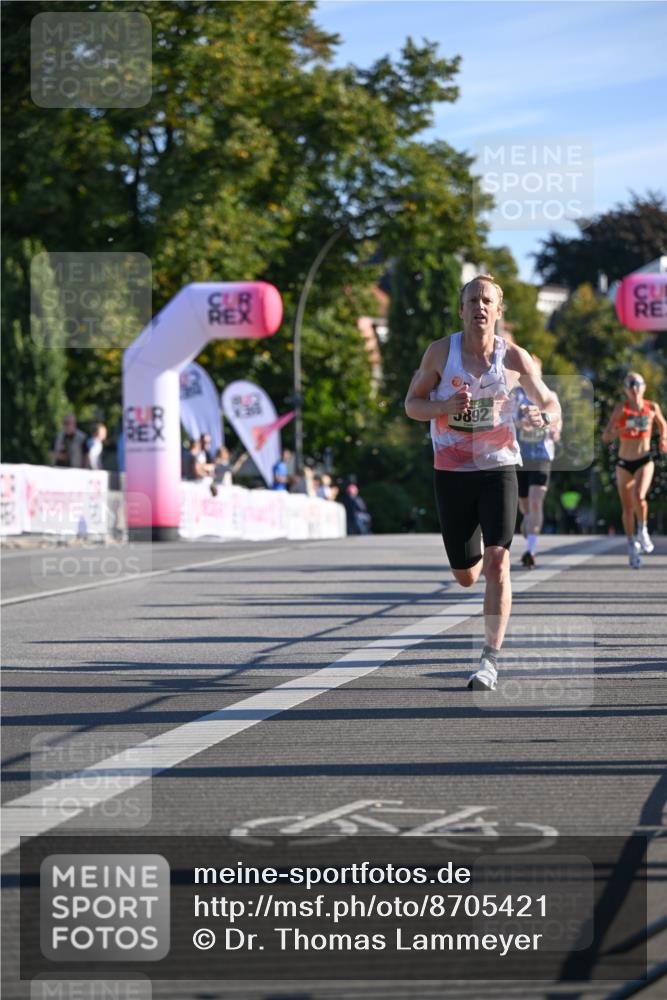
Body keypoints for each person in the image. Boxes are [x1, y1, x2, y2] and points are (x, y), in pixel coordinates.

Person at [405, 274, 560, 692]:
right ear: (461, 309)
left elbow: (550, 402)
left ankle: (489, 660)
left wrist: (539, 417)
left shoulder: (515, 360)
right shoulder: (441, 353)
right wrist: (443, 405)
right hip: (452, 472)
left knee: (497, 560)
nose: (480, 306)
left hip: (498, 467)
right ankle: (469, 566)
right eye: (472, 299)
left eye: (487, 300)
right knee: (467, 576)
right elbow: (412, 405)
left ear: (498, 310)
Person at [601, 372, 667, 568]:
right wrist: (622, 430)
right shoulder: (621, 409)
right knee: (628, 507)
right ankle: (631, 545)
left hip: (644, 460)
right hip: (624, 463)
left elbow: (663, 425)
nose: (634, 387)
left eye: (637, 383)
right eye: (630, 384)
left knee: (639, 496)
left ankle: (643, 530)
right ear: (625, 389)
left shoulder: (652, 407)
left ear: (644, 387)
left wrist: (663, 439)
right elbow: (606, 436)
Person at [513, 359, 560, 568]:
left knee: (535, 502)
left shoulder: (551, 397)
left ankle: (530, 549)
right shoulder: (516, 396)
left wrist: (551, 429)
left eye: (534, 371)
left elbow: (557, 429)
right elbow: (508, 421)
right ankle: (528, 521)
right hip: (520, 456)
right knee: (525, 505)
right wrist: (521, 422)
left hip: (541, 456)